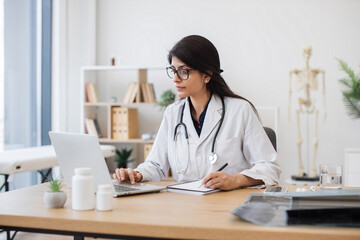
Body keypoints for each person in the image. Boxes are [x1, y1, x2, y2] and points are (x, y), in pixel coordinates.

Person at [113, 35, 281, 190]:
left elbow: (269, 167)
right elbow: (156, 165)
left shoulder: (240, 110)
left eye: (184, 71)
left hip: (229, 203)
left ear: (207, 74)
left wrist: (235, 180)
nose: (175, 79)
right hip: (186, 205)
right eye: (173, 70)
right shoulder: (173, 113)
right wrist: (137, 174)